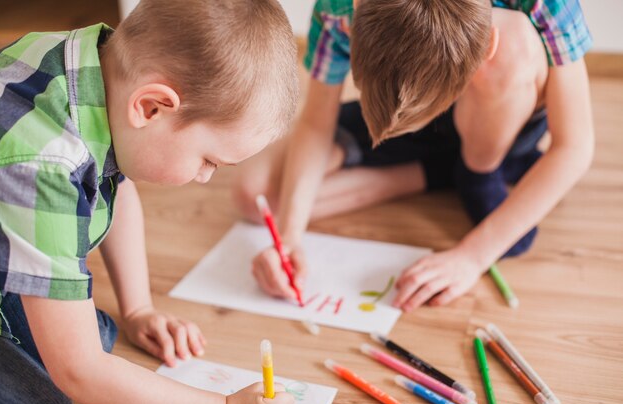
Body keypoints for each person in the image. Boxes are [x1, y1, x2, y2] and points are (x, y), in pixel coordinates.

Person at [0, 0, 299, 404]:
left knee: (97, 336)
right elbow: (80, 372)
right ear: (150, 107)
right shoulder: (44, 164)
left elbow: (111, 188)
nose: (205, 177)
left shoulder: (93, 67)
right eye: (209, 160)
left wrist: (138, 309)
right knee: (46, 401)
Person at [234, 0, 594, 312]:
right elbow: (315, 124)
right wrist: (290, 235)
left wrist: (471, 257)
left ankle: (478, 169)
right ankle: (434, 171)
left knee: (515, 42)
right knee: (256, 197)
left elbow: (574, 146)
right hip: (407, 116)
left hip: (501, 111)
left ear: (485, 45)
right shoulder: (338, 10)